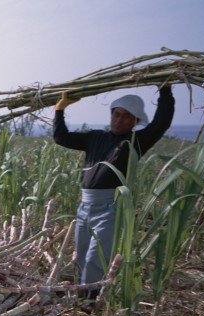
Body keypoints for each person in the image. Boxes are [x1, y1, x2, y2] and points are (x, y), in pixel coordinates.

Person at [53, 85, 175, 295]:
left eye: (127, 116)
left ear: (136, 122)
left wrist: (165, 91)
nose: (120, 120)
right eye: (117, 114)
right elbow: (61, 137)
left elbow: (160, 123)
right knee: (82, 254)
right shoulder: (95, 137)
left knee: (95, 257)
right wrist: (59, 109)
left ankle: (90, 302)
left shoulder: (136, 141)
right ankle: (81, 296)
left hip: (111, 207)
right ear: (111, 115)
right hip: (85, 205)